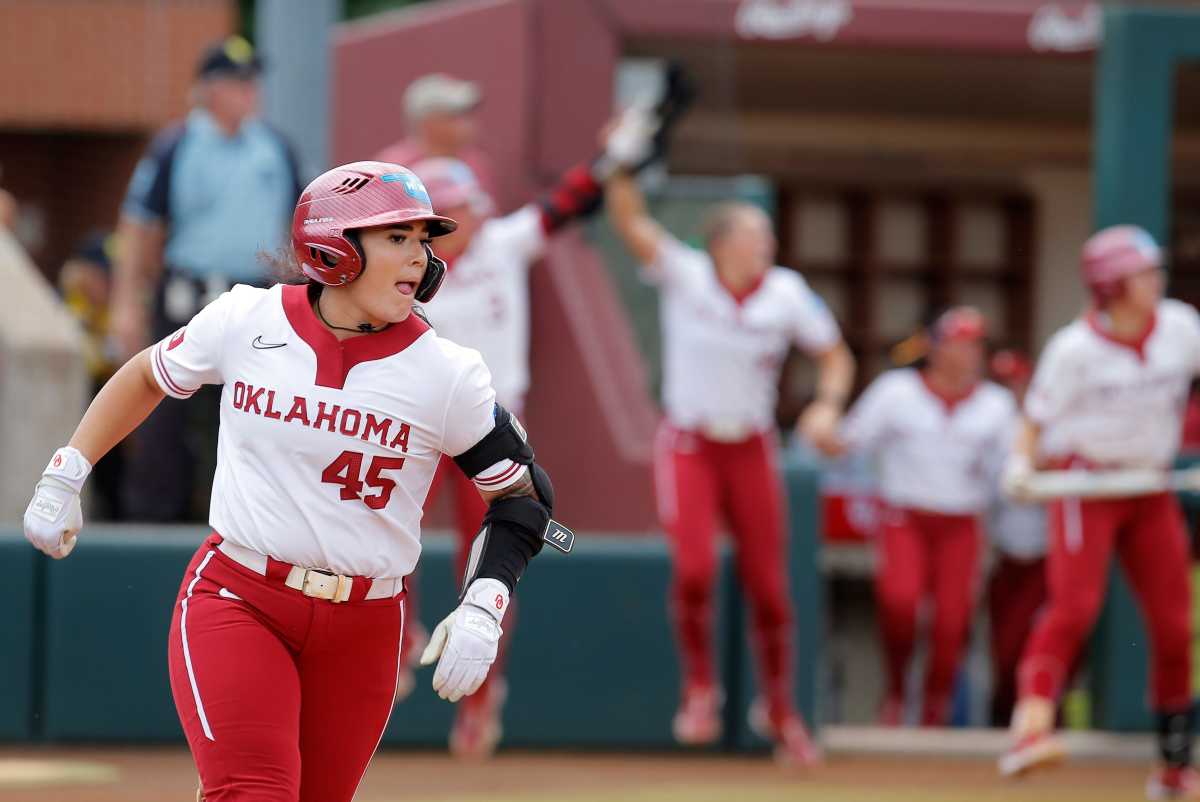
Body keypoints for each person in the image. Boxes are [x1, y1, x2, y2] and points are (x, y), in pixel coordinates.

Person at [23, 161, 567, 802]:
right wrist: (67, 471)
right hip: (241, 596)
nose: (420, 256)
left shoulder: (448, 374)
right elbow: (146, 375)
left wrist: (484, 605)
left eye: (424, 239)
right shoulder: (247, 319)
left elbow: (525, 501)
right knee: (254, 792)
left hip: (366, 623)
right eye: (397, 237)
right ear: (334, 244)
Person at [603, 116, 856, 764]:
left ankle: (781, 707)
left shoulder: (785, 292)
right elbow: (629, 221)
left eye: (767, 236)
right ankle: (700, 688)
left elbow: (834, 355)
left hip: (751, 445)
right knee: (692, 570)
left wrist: (827, 406)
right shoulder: (687, 274)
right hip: (690, 442)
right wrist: (622, 158)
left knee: (770, 587)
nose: (765, 246)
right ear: (720, 245)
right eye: (753, 237)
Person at [400, 147, 612, 757]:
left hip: (491, 430)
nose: (474, 218)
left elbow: (565, 204)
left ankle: (480, 698)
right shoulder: (410, 269)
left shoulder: (503, 245)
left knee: (487, 557)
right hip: (422, 420)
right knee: (385, 525)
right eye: (457, 210)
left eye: (472, 206)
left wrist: (610, 156)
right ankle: (397, 641)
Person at [1000, 226, 1198, 799]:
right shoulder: (1074, 349)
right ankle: (1028, 731)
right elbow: (1034, 419)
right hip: (1087, 481)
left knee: (1173, 623)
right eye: (1142, 272)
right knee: (1075, 606)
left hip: (1150, 484)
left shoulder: (1181, 327)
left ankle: (1174, 765)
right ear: (1111, 282)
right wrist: (1020, 463)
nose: (1155, 281)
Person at [109, 35, 301, 522]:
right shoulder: (176, 145)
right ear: (210, 89)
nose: (249, 91)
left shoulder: (274, 147)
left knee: (252, 416)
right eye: (237, 82)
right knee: (163, 414)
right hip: (187, 294)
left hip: (257, 297)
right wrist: (126, 304)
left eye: (251, 82)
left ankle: (241, 525)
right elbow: (138, 227)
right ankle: (151, 527)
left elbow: (304, 223)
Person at [824, 308, 1016, 726]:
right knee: (900, 603)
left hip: (962, 522)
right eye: (959, 343)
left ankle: (935, 705)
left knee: (952, 623)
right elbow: (848, 442)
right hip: (904, 516)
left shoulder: (996, 405)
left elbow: (1012, 469)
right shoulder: (897, 390)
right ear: (935, 348)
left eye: (975, 345)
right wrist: (823, 430)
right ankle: (896, 692)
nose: (969, 354)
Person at [983, 349, 1049, 727]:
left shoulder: (1056, 424)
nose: (1015, 389)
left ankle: (1042, 722)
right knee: (1005, 651)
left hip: (1047, 556)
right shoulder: (991, 422)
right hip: (1005, 556)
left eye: (1021, 381)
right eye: (1006, 382)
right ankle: (1002, 721)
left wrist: (1043, 464)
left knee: (1042, 645)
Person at [58, 232, 124, 519]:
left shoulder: (116, 310)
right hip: (73, 413)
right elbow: (91, 359)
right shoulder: (70, 303)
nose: (107, 284)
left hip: (110, 413)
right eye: (102, 275)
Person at [375, 73, 495, 199]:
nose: (467, 123)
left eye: (467, 115)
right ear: (428, 123)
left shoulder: (476, 163)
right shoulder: (393, 169)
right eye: (454, 116)